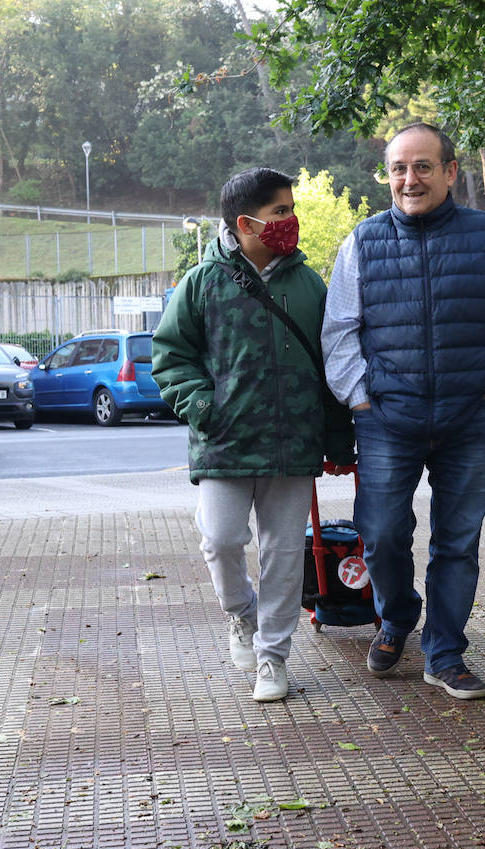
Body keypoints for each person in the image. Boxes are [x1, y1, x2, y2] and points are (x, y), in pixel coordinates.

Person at [322, 123, 485, 700]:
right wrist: (360, 399)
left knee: (457, 543)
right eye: (398, 168)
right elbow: (339, 331)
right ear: (387, 175)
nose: (409, 179)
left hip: (468, 420)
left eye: (422, 166)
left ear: (449, 172)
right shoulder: (362, 242)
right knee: (380, 535)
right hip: (387, 420)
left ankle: (444, 653)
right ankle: (397, 617)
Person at [153, 167, 354, 703]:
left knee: (284, 554)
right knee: (220, 540)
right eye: (280, 212)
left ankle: (273, 656)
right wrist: (203, 406)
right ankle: (241, 615)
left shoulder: (310, 285)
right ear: (245, 223)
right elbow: (170, 356)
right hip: (224, 441)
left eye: (292, 209)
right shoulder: (201, 283)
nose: (291, 220)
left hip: (295, 443)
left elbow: (332, 365)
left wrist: (338, 438)